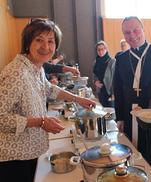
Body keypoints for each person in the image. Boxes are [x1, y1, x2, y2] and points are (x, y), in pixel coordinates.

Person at [0, 19, 95, 182]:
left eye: (50, 41)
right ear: (27, 42)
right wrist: (41, 122)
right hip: (14, 159)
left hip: (29, 152)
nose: (46, 47)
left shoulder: (36, 67)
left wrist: (78, 99)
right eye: (39, 40)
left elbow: (50, 89)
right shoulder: (16, 72)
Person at [113, 16, 151, 161]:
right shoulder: (121, 59)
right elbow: (118, 89)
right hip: (129, 113)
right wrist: (119, 117)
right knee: (132, 153)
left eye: (135, 30)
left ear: (143, 29)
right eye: (127, 32)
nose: (132, 35)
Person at [93, 40, 116, 107]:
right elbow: (94, 75)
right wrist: (95, 82)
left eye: (102, 49)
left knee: (110, 113)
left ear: (106, 49)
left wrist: (113, 93)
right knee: (102, 110)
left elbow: (115, 78)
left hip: (109, 91)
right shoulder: (96, 62)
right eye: (98, 50)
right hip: (100, 90)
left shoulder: (112, 61)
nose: (100, 51)